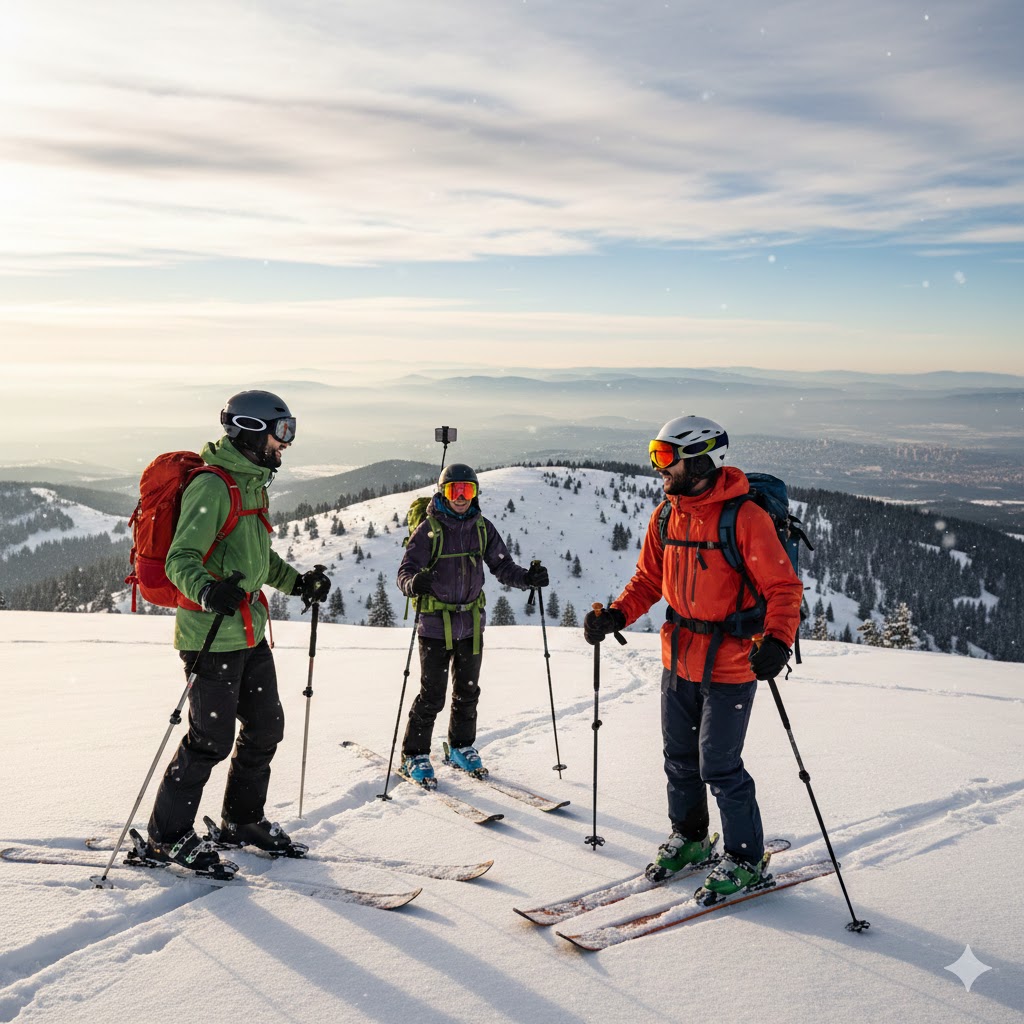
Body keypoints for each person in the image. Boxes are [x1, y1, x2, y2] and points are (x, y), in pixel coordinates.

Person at [583, 415, 802, 896]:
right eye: (655, 454)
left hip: (732, 662)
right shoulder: (666, 515)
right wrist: (616, 615)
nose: (657, 467)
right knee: (679, 759)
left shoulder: (744, 518)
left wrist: (778, 642)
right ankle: (692, 839)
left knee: (719, 766)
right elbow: (648, 580)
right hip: (679, 657)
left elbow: (783, 587)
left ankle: (746, 858)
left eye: (665, 456)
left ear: (701, 460)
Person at [146, 390, 331, 872]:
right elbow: (180, 559)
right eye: (281, 431)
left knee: (266, 727)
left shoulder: (251, 483)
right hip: (210, 636)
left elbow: (258, 557)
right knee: (210, 739)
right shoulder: (213, 486)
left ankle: (242, 820)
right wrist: (207, 590)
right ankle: (167, 835)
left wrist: (298, 583)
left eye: (290, 430)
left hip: (249, 632)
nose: (286, 442)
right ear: (250, 430)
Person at [396, 463, 548, 785]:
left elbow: (502, 567)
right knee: (432, 695)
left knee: (467, 692)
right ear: (443, 493)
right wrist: (413, 583)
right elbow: (405, 571)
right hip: (435, 626)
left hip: (471, 625)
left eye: (468, 490)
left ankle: (461, 747)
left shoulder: (482, 528)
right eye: (455, 490)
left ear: (475, 493)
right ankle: (414, 754)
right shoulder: (428, 529)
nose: (461, 497)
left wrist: (528, 579)